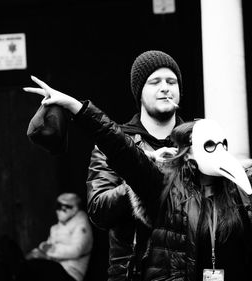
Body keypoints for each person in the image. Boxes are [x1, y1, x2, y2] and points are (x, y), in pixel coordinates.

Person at [23, 76, 252, 281]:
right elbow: (118, 147)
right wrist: (76, 108)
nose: (218, 150)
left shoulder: (239, 187)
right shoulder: (163, 186)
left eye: (222, 144)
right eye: (209, 145)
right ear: (188, 150)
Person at [86, 50, 184, 281]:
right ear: (139, 91)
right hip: (134, 275)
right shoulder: (113, 144)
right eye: (154, 82)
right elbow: (98, 210)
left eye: (172, 81)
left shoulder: (199, 140)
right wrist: (141, 175)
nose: (165, 87)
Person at [18, 192, 93, 281]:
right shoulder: (57, 227)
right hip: (54, 266)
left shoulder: (82, 225)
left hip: (71, 273)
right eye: (58, 206)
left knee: (34, 267)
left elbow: (77, 250)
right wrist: (39, 251)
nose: (61, 210)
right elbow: (48, 245)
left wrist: (50, 251)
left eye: (66, 207)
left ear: (75, 209)